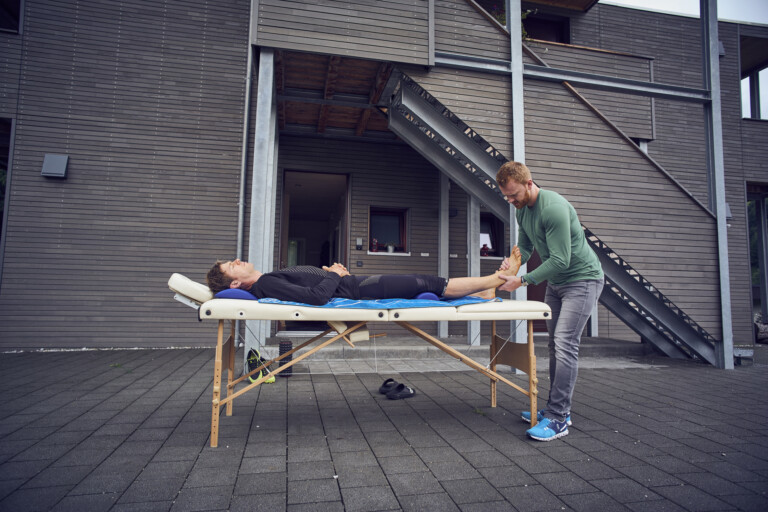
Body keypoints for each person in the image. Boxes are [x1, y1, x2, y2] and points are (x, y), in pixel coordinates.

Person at [495, 161, 604, 442]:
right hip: (556, 284)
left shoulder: (553, 208)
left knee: (565, 344)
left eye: (513, 194)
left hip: (582, 280)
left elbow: (560, 260)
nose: (510, 200)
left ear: (529, 184)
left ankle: (558, 418)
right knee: (555, 345)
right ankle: (557, 408)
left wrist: (522, 281)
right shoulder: (522, 211)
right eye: (506, 196)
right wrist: (511, 265)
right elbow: (525, 247)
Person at [207, 252, 521, 306]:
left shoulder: (266, 280)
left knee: (429, 286)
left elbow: (312, 286)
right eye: (232, 266)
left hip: (355, 283)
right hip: (361, 289)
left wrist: (331, 273)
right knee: (429, 283)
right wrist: (334, 274)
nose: (238, 260)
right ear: (234, 284)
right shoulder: (265, 285)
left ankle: (484, 293)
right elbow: (317, 298)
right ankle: (498, 277)